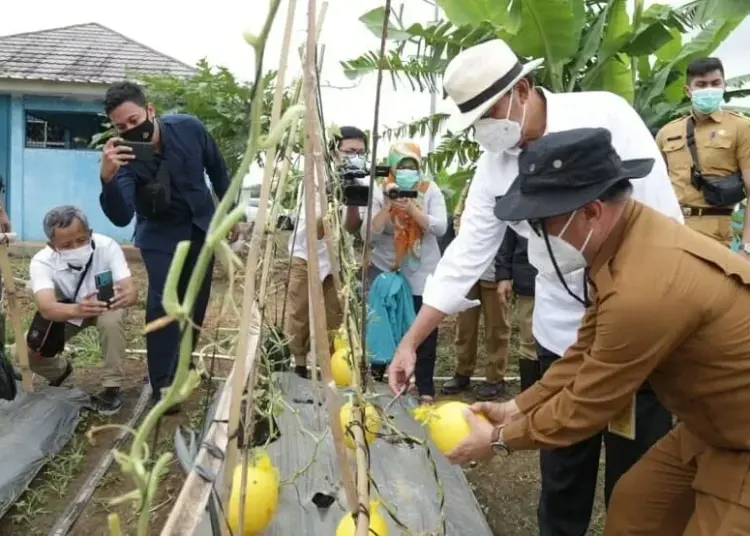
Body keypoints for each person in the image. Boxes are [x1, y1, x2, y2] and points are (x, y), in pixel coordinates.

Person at [387, 39, 681, 535]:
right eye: (473, 122)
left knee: (637, 478)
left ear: (522, 90)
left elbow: (660, 222)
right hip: (562, 328)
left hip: (636, 322)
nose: (484, 130)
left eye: (488, 114)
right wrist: (411, 342)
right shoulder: (494, 166)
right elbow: (465, 257)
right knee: (563, 472)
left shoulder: (606, 116)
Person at [447, 126, 750, 536]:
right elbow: (586, 349)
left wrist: (499, 439)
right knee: (636, 510)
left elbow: (589, 402)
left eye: (542, 223)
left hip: (741, 439)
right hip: (709, 426)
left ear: (590, 211)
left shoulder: (644, 286)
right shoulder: (623, 243)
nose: (540, 236)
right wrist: (519, 406)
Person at [98, 81, 232, 412]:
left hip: (201, 228)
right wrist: (108, 178)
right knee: (164, 303)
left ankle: (184, 366)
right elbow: (120, 215)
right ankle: (163, 383)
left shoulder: (189, 128)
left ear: (149, 111)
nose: (130, 129)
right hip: (159, 236)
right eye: (122, 126)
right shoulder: (125, 159)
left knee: (196, 301)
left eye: (134, 120)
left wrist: (228, 214)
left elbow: (217, 168)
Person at [28, 206, 136, 414]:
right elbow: (47, 308)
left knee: (111, 322)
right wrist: (78, 309)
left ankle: (112, 388)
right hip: (69, 310)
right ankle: (60, 371)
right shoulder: (42, 261)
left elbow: (131, 292)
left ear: (91, 233)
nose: (76, 247)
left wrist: (125, 297)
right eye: (67, 245)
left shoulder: (107, 247)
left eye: (82, 240)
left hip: (107, 306)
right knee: (26, 351)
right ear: (52, 245)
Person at [363, 141, 447, 401]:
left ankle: (424, 387)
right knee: (383, 324)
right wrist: (390, 206)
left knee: (422, 329)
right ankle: (381, 380)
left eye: (412, 166)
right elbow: (369, 233)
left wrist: (412, 210)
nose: (407, 171)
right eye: (402, 166)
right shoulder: (380, 191)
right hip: (387, 270)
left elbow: (441, 227)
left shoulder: (429, 190)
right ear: (392, 167)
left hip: (422, 272)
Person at [285, 126, 367, 378]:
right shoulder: (314, 179)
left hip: (336, 259)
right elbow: (314, 230)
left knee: (335, 316)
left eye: (361, 152)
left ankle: (331, 370)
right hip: (306, 254)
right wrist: (332, 199)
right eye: (350, 151)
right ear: (334, 153)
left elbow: (352, 227)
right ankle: (299, 364)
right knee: (299, 312)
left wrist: (351, 202)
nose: (355, 157)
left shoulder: (360, 180)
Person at [656, 57, 750, 254]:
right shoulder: (667, 132)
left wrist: (747, 248)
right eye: (701, 84)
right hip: (672, 229)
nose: (709, 89)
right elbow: (656, 188)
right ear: (688, 90)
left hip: (715, 231)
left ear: (724, 85)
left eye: (715, 83)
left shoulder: (741, 128)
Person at [443, 178, 511, 400]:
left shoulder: (506, 187)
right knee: (465, 327)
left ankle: (495, 378)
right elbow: (456, 222)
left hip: (495, 273)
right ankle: (462, 372)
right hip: (469, 272)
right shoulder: (472, 185)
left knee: (497, 329)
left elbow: (510, 233)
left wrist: (505, 274)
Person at [495, 227, 539, 391]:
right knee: (529, 344)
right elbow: (506, 239)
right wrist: (503, 275)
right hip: (529, 280)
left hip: (565, 282)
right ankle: (528, 401)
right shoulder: (520, 201)